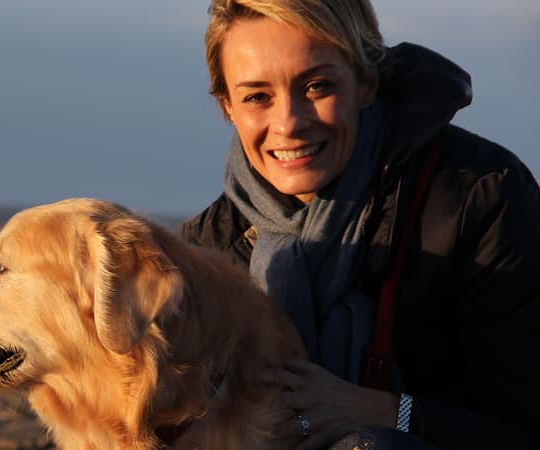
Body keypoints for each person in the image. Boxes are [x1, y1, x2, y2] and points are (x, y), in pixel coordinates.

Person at [177, 0, 540, 448]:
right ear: (227, 106)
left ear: (367, 82)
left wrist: (385, 412)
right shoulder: (207, 248)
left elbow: (527, 427)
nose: (289, 123)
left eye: (317, 86)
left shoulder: (480, 197)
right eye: (257, 97)